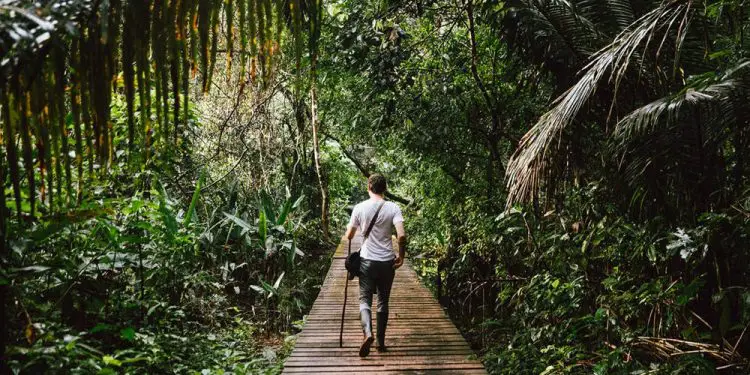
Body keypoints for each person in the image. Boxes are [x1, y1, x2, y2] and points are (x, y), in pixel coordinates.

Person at [342, 174, 407, 357]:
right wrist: (401, 256)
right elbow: (401, 236)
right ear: (385, 188)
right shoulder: (393, 207)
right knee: (383, 301)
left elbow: (349, 236)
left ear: (368, 187)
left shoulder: (360, 207)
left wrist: (352, 229)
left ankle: (368, 333)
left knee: (364, 299)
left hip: (367, 261)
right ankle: (380, 342)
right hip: (387, 262)